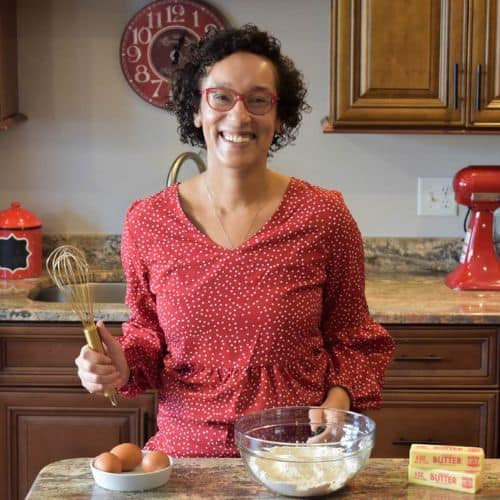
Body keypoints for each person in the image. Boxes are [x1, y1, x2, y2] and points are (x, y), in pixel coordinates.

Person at [75, 24, 395, 458]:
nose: (239, 116)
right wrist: (118, 363)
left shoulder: (323, 216)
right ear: (196, 110)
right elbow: (147, 336)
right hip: (186, 457)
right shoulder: (147, 222)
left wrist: (338, 402)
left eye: (258, 99)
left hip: (295, 454)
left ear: (280, 117)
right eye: (221, 97)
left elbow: (354, 336)